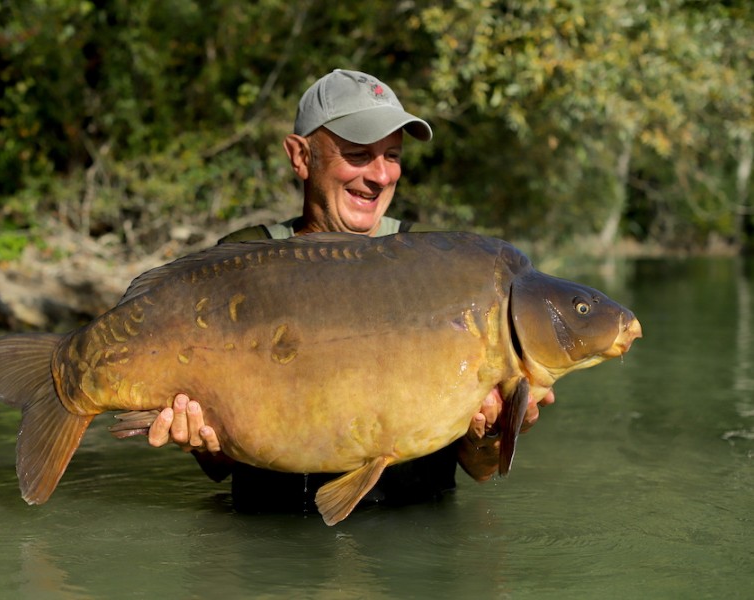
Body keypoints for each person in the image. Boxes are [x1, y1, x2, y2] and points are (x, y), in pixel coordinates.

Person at [146, 69, 554, 513]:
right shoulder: (242, 263)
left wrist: (492, 434)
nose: (380, 175)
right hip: (273, 540)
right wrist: (202, 440)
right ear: (300, 156)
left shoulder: (441, 272)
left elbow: (480, 468)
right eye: (359, 155)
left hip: (413, 538)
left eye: (393, 156)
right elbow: (220, 466)